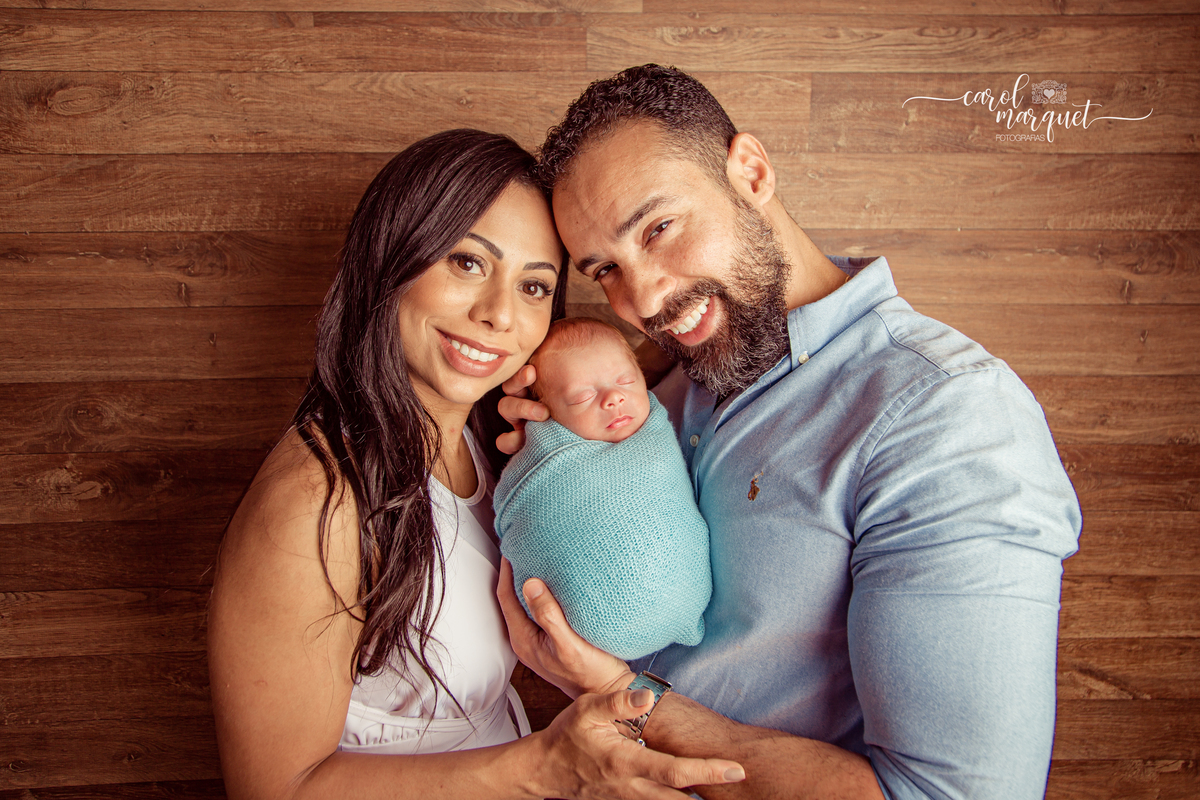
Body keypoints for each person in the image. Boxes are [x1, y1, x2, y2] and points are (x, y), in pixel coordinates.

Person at [496, 66, 1083, 799]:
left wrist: (623, 697)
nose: (641, 297)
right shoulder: (658, 385)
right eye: (605, 268)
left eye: (659, 228)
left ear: (750, 171)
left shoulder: (948, 416)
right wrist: (537, 432)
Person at [206, 128, 745, 800]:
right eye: (468, 264)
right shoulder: (317, 501)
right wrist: (543, 769)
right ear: (392, 258)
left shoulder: (490, 446)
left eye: (534, 286)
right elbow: (273, 790)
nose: (498, 315)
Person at [495, 317, 711, 660]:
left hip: (687, 598)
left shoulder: (654, 428)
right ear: (545, 414)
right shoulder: (548, 464)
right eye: (582, 397)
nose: (614, 398)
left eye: (626, 380)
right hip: (583, 635)